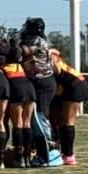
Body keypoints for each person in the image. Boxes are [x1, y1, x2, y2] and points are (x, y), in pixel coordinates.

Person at [19, 17, 56, 165]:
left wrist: (9, 48)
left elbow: (26, 51)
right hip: (42, 81)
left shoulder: (36, 40)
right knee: (39, 117)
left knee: (39, 118)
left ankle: (46, 154)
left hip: (43, 82)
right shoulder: (40, 39)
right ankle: (45, 151)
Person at [51, 49, 88, 166]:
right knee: (61, 120)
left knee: (68, 121)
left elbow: (56, 70)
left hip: (75, 86)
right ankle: (63, 152)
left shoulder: (52, 59)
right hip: (71, 86)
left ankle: (69, 155)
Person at [1, 48, 36, 167]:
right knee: (27, 123)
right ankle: (27, 157)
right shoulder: (21, 66)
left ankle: (19, 158)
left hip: (17, 91)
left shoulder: (4, 68)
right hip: (30, 89)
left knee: (18, 124)